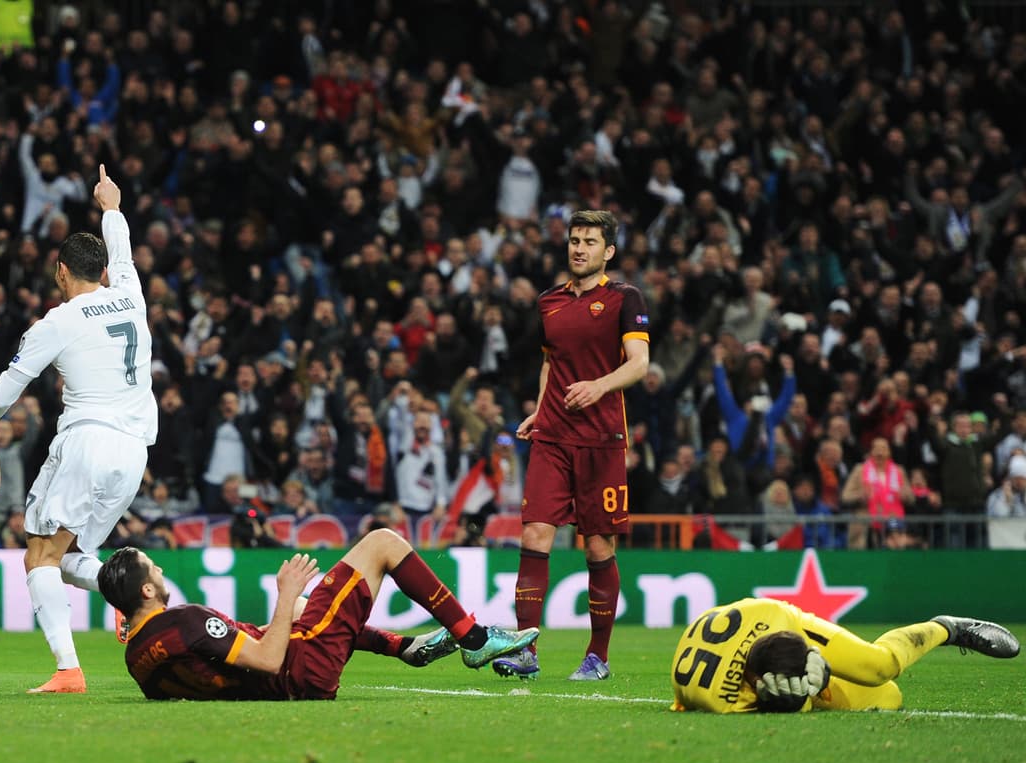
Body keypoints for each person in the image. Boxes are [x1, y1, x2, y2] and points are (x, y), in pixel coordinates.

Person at [0, 165, 156, 693]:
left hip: (87, 440)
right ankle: (134, 594)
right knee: (70, 555)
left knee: (40, 553)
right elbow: (122, 252)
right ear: (100, 269)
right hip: (133, 452)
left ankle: (68, 670)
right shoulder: (130, 291)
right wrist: (112, 206)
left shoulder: (58, 321)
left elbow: (6, 392)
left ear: (60, 272)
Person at [97, 528, 539, 700]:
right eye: (154, 568)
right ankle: (476, 641)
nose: (161, 568)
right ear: (148, 589)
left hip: (281, 680)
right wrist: (285, 594)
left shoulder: (136, 658)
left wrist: (281, 618)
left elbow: (205, 676)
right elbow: (268, 660)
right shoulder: (185, 619)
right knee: (383, 543)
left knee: (311, 608)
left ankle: (408, 648)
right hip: (299, 669)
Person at [497, 210, 650, 681]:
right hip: (553, 436)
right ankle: (526, 649)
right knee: (534, 534)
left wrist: (599, 386)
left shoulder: (625, 298)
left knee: (598, 547)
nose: (579, 248)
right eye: (574, 240)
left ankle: (598, 657)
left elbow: (639, 362)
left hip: (602, 439)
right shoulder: (549, 302)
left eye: (590, 241)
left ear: (608, 252)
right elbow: (551, 365)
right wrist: (540, 411)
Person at [671, 597, 1019, 713]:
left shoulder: (781, 621)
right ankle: (821, 680)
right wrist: (805, 697)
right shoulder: (723, 699)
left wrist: (816, 668)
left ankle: (948, 627)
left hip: (777, 619)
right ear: (757, 680)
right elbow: (791, 703)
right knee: (889, 698)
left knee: (877, 666)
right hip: (749, 627)